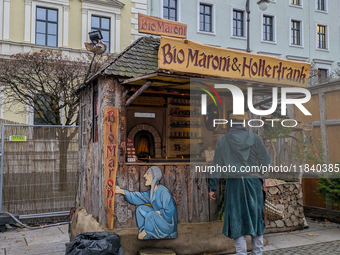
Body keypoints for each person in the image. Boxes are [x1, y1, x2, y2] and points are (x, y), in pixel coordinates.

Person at [209, 113, 271, 255]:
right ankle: (258, 253)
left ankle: (241, 253)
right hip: (254, 183)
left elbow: (217, 166)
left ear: (230, 123)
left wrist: (213, 187)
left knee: (237, 219)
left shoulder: (222, 141)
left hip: (234, 184)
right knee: (256, 217)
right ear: (244, 123)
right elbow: (266, 160)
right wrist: (263, 177)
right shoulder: (255, 138)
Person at [115, 166, 178, 240]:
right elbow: (139, 196)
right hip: (158, 218)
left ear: (154, 177)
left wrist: (157, 213)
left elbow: (170, 211)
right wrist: (122, 191)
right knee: (140, 209)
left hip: (168, 225)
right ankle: (145, 231)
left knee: (151, 215)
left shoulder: (164, 192)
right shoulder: (152, 192)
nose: (144, 176)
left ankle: (147, 232)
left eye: (148, 174)